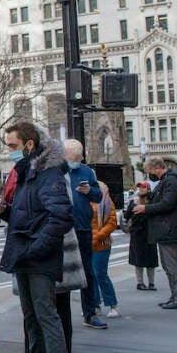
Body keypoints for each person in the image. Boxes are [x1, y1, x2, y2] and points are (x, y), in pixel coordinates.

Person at [0, 122, 74, 353]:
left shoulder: (47, 173)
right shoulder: (28, 173)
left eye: (13, 146)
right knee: (32, 316)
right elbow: (33, 214)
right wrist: (6, 213)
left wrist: (37, 248)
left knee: (46, 316)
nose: (10, 152)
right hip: (26, 254)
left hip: (36, 257)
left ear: (29, 145)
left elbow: (60, 217)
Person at [132, 158, 177, 309]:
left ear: (158, 168)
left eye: (150, 172)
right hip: (165, 227)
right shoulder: (167, 180)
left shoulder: (170, 181)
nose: (149, 175)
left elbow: (167, 203)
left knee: (171, 264)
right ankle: (175, 295)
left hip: (168, 227)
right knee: (167, 264)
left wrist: (145, 208)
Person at [61, 140, 106, 329]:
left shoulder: (86, 172)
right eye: (72, 159)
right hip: (64, 229)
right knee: (62, 274)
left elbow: (98, 195)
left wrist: (90, 191)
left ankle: (90, 311)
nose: (76, 162)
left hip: (83, 227)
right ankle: (62, 315)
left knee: (87, 272)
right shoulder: (57, 171)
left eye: (78, 159)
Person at [90, 182, 119, 318]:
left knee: (100, 274)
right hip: (86, 243)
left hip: (102, 243)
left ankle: (112, 304)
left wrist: (98, 235)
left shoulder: (106, 201)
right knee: (91, 276)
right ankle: (94, 305)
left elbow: (112, 222)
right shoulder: (84, 199)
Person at [125, 182, 158, 290]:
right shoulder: (134, 201)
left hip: (150, 232)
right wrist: (132, 206)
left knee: (151, 259)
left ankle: (151, 282)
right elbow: (126, 216)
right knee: (138, 258)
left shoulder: (153, 200)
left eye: (143, 187)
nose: (141, 189)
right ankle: (140, 282)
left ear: (148, 189)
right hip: (137, 233)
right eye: (140, 187)